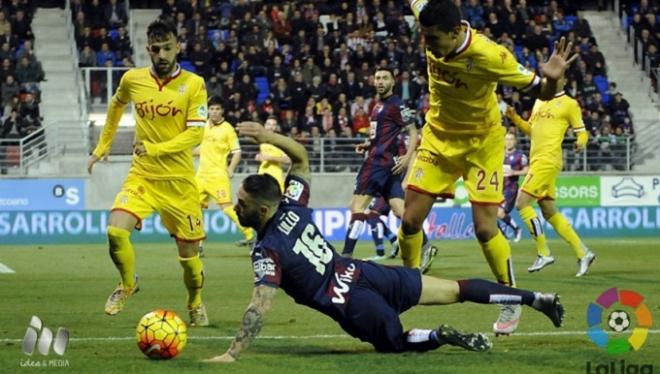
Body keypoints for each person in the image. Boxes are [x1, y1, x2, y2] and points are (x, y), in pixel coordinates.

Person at [203, 121, 564, 363]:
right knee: (456, 288)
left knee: (395, 343)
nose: (237, 208)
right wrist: (269, 138)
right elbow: (300, 155)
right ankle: (537, 298)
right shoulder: (293, 204)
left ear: (264, 209)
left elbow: (260, 305)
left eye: (243, 205)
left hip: (349, 302)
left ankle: (438, 335)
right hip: (366, 273)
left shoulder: (267, 249)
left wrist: (232, 354)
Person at [400, 0, 577, 335]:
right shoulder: (431, 17)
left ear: (455, 33)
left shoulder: (490, 56)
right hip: (437, 139)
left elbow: (541, 88)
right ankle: (407, 284)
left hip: (481, 144)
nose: (427, 45)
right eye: (423, 37)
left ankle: (509, 296)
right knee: (409, 220)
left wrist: (553, 80)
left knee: (484, 228)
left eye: (433, 39)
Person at [87, 17, 209, 326]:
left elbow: (195, 134)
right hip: (142, 176)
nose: (163, 55)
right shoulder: (132, 79)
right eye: (157, 49)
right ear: (148, 50)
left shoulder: (194, 84)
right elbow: (115, 107)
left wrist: (155, 148)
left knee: (190, 263)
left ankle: (194, 301)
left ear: (178, 46)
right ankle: (128, 283)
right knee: (115, 231)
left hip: (180, 183)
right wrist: (102, 147)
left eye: (168, 48)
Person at [505, 76, 596, 276]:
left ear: (564, 81)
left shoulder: (570, 104)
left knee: (522, 203)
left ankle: (543, 252)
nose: (551, 81)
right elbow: (532, 130)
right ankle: (584, 252)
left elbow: (582, 132)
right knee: (549, 211)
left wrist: (581, 142)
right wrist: (514, 117)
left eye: (556, 78)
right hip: (537, 159)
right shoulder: (539, 101)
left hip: (548, 160)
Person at [341, 67, 431, 265]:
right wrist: (367, 144)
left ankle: (345, 258)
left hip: (377, 163)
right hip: (383, 162)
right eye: (378, 78)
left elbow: (414, 131)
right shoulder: (378, 105)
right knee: (400, 211)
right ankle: (426, 245)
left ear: (393, 82)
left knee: (357, 207)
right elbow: (382, 135)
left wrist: (407, 158)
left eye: (385, 78)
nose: (380, 81)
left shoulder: (396, 105)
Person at [194, 96, 255, 254]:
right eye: (211, 109)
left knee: (227, 208)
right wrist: (184, 153)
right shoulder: (204, 126)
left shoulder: (228, 129)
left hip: (217, 176)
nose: (214, 112)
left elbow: (237, 152)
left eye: (217, 109)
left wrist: (231, 168)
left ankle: (249, 235)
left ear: (222, 111)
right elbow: (203, 148)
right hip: (201, 176)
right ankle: (198, 245)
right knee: (195, 210)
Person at [498, 132, 527, 241]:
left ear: (515, 141)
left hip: (510, 188)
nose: (508, 142)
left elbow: (526, 171)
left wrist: (513, 172)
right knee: (490, 213)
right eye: (506, 139)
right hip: (498, 188)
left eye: (511, 139)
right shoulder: (499, 154)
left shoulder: (520, 156)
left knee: (499, 213)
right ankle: (503, 236)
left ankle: (516, 229)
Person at [256, 115, 290, 193]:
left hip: (275, 177)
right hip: (262, 175)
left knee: (276, 202)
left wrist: (270, 158)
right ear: (264, 125)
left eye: (273, 125)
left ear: (276, 127)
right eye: (268, 124)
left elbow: (288, 160)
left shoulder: (281, 141)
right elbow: (263, 156)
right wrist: (258, 157)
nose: (270, 127)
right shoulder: (261, 140)